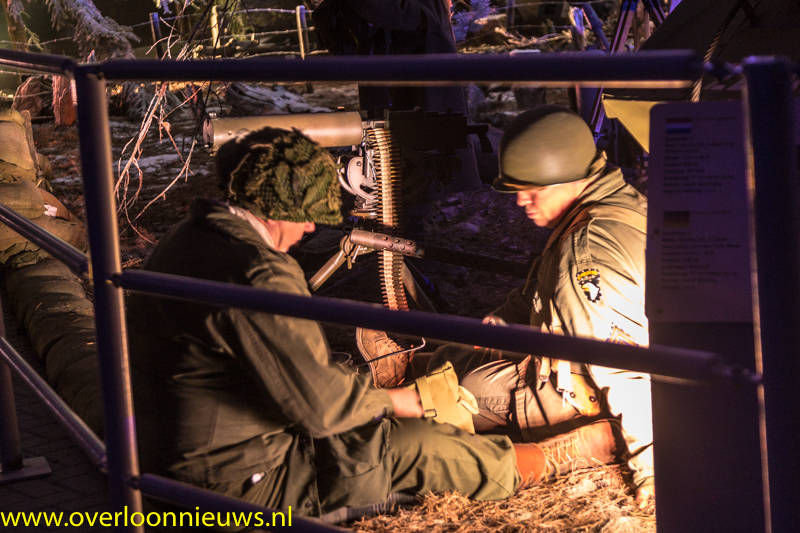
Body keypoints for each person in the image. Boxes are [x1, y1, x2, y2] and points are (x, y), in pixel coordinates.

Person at [126, 126, 619, 519]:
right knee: (422, 447)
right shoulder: (260, 274)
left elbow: (287, 377)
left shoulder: (192, 237)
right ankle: (553, 459)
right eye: (306, 214)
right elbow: (319, 411)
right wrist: (399, 402)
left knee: (377, 398)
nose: (311, 228)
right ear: (275, 207)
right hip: (238, 490)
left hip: (183, 456)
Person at [430, 105, 655, 507]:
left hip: (586, 395)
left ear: (567, 178)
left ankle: (598, 438)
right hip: (573, 361)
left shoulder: (588, 252)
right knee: (452, 356)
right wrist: (501, 322)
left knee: (468, 390)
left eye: (531, 189)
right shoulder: (611, 204)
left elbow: (625, 369)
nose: (520, 201)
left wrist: (651, 468)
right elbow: (541, 287)